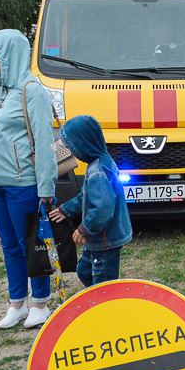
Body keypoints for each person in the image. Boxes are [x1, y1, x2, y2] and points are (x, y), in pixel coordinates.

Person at [0, 29, 57, 330]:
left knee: (30, 244)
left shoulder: (31, 90)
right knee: (9, 245)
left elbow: (45, 140)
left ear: (11, 53)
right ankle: (17, 304)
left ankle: (40, 303)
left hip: (24, 185)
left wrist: (46, 187)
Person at [48, 115, 132, 286]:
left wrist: (84, 229)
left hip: (104, 239)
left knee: (103, 282)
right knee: (84, 271)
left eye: (72, 147)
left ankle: (104, 307)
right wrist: (66, 210)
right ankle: (96, 300)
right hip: (98, 239)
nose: (70, 151)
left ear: (83, 145)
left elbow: (102, 207)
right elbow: (86, 195)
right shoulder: (98, 163)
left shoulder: (98, 172)